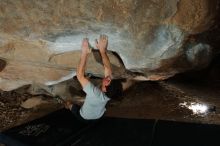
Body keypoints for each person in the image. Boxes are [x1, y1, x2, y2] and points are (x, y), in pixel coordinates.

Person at [65, 34, 122, 122]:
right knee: (91, 89)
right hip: (100, 115)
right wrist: (102, 50)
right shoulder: (110, 91)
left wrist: (85, 52)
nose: (108, 78)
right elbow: (107, 68)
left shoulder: (96, 94)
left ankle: (67, 105)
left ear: (105, 89)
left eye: (108, 81)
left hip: (84, 116)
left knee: (69, 104)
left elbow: (80, 75)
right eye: (110, 79)